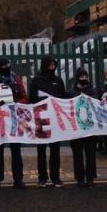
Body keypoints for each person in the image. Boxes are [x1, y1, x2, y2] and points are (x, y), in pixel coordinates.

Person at [0, 58, 29, 189]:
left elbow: (24, 96)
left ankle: (18, 179)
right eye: (3, 65)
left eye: (7, 65)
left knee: (16, 149)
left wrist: (17, 104)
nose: (6, 67)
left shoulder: (15, 78)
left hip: (14, 117)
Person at [29, 55, 67, 188]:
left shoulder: (58, 80)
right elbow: (32, 99)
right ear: (45, 65)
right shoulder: (36, 80)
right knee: (41, 150)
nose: (53, 67)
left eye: (54, 65)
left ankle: (55, 178)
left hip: (55, 120)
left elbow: (63, 97)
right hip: (41, 119)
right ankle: (42, 178)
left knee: (55, 150)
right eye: (50, 65)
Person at [69, 67, 99, 187]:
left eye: (86, 77)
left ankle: (90, 177)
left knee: (90, 153)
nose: (84, 79)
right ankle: (80, 178)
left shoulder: (93, 91)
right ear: (77, 78)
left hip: (90, 128)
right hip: (76, 128)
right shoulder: (71, 92)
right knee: (77, 154)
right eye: (82, 77)